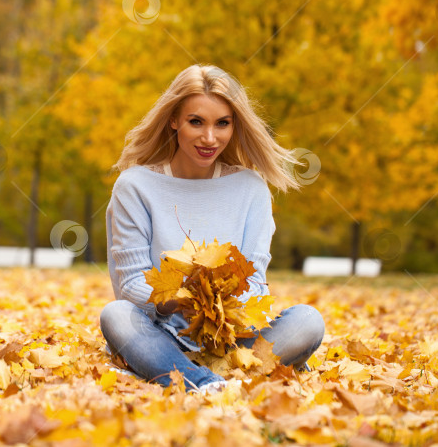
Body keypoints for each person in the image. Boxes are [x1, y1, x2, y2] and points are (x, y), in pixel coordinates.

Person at [99, 64, 325, 393]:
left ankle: (177, 374)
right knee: (116, 316)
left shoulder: (250, 188)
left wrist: (221, 303)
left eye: (222, 123)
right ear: (174, 120)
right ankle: (207, 382)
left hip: (235, 340)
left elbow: (255, 283)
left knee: (308, 321)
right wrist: (188, 295)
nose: (210, 138)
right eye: (196, 122)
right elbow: (131, 285)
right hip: (160, 332)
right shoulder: (134, 186)